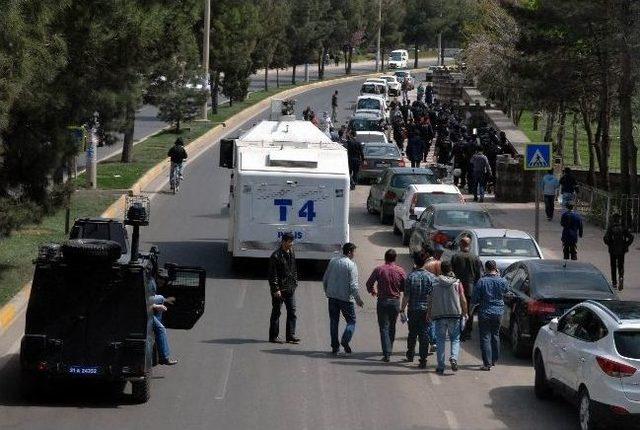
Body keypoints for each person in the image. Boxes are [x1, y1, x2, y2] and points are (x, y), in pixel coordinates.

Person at [366, 249, 407, 362]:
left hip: (382, 301)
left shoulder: (379, 269)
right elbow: (405, 287)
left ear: (385, 258)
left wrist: (373, 291)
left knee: (384, 327)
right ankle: (389, 349)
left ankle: (386, 353)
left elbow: (369, 283)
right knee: (392, 326)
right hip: (395, 302)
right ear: (395, 258)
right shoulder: (400, 270)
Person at [323, 243, 364, 355]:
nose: (355, 254)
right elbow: (353, 285)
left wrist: (327, 291)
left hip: (332, 297)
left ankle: (335, 347)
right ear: (350, 252)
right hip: (346, 299)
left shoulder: (333, 261)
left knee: (333, 322)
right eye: (354, 252)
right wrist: (358, 299)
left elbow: (325, 278)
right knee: (351, 321)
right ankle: (345, 340)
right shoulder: (351, 265)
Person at [400, 252, 436, 369]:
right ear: (425, 263)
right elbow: (433, 296)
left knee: (412, 333)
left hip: (413, 309)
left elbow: (406, 296)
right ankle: (423, 359)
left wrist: (402, 309)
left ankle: (410, 354)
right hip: (427, 310)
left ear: (415, 263)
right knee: (424, 335)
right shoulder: (431, 277)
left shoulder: (410, 277)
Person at [432, 261, 468, 375]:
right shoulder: (457, 283)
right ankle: (453, 358)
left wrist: (429, 313)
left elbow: (430, 299)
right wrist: (465, 313)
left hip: (439, 315)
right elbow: (463, 299)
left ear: (441, 270)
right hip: (454, 315)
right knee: (455, 339)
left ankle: (441, 366)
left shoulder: (434, 282)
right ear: (450, 269)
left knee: (440, 340)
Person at [471, 260, 508, 371]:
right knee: (495, 335)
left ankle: (487, 363)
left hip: (485, 312)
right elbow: (507, 291)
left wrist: (471, 309)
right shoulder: (502, 281)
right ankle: (494, 360)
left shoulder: (481, 281)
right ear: (495, 268)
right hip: (498, 312)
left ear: (486, 268)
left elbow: (474, 298)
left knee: (485, 337)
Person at [268, 233, 300, 344]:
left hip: (290, 288)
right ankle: (273, 336)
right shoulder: (276, 256)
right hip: (279, 289)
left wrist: (295, 282)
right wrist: (276, 289)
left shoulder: (292, 252)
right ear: (284, 242)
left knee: (292, 311)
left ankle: (290, 336)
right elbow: (273, 275)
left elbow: (294, 269)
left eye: (292, 241)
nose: (292, 244)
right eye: (290, 242)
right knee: (277, 312)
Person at [450, 236, 482, 340]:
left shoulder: (455, 257)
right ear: (469, 245)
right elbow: (479, 275)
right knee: (469, 310)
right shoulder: (475, 257)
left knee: (458, 309)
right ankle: (467, 331)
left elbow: (451, 273)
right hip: (470, 289)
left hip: (457, 288)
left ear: (460, 244)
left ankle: (460, 330)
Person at [603, 213, 634, 290]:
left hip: (612, 250)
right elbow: (631, 237)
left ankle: (614, 283)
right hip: (621, 250)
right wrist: (626, 244)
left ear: (613, 219)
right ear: (619, 219)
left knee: (613, 266)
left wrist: (609, 244)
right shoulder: (623, 228)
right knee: (621, 264)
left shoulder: (611, 228)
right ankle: (621, 276)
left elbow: (606, 238)